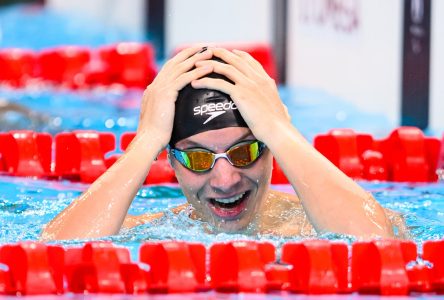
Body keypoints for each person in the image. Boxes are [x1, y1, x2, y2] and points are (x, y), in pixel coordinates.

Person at [41, 46, 399, 241]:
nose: (226, 180)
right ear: (171, 161)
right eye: (198, 158)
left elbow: (374, 245)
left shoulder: (320, 222)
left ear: (272, 148)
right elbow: (56, 253)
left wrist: (280, 128)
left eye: (244, 152)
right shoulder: (155, 231)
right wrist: (145, 141)